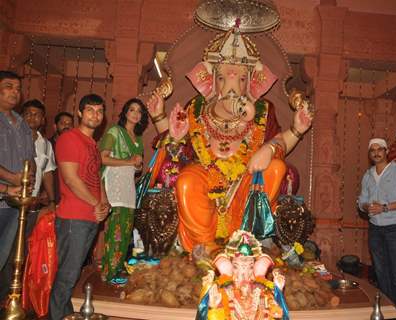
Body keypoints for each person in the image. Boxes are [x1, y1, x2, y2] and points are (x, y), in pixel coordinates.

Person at [146, 25, 313, 253]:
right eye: (223, 78)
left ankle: (246, 242)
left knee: (276, 168)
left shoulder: (263, 110)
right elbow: (179, 142)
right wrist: (159, 117)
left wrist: (294, 132)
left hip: (244, 180)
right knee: (186, 182)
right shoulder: (196, 108)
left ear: (252, 82)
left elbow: (278, 140)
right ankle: (207, 246)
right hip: (206, 175)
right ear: (211, 80)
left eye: (241, 79)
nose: (232, 86)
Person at [48, 94, 110, 320]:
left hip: (90, 217)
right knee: (67, 275)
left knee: (73, 276)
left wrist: (104, 204)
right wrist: (96, 204)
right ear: (80, 113)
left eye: (100, 111)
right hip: (73, 218)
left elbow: (96, 177)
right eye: (91, 110)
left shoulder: (92, 144)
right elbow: (72, 179)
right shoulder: (70, 139)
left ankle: (64, 315)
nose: (96, 115)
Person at [358, 138, 396, 320]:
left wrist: (385, 207)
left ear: (386, 151)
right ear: (370, 154)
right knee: (381, 275)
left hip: (395, 229)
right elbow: (361, 201)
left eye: (380, 149)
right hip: (375, 229)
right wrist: (367, 207)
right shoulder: (367, 175)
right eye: (372, 150)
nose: (376, 153)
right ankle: (390, 314)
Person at [99, 98, 148, 282]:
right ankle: (107, 272)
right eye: (132, 109)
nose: (135, 114)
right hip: (114, 185)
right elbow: (102, 159)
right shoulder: (115, 132)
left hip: (128, 187)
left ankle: (117, 270)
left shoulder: (139, 140)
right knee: (115, 231)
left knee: (126, 232)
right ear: (125, 112)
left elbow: (137, 169)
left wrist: (137, 166)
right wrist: (129, 161)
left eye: (139, 111)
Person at [0, 70, 36, 301]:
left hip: (17, 203)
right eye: (9, 86)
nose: (15, 91)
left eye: (17, 87)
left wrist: (29, 175)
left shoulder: (22, 123)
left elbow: (30, 159)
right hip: (3, 196)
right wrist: (10, 181)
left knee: (8, 258)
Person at [21, 99, 57, 215]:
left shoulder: (46, 145)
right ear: (21, 117)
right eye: (28, 114)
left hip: (32, 203)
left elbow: (46, 173)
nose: (32, 117)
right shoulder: (12, 139)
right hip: (10, 201)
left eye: (36, 115)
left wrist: (52, 200)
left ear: (43, 120)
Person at [49, 111, 73, 204]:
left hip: (68, 196)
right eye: (63, 123)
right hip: (50, 196)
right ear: (55, 127)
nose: (66, 126)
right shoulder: (47, 145)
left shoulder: (75, 147)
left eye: (70, 124)